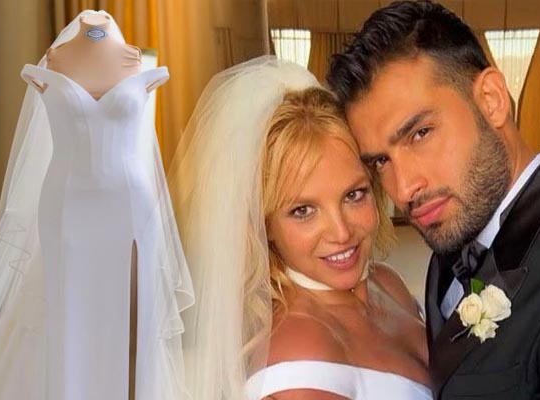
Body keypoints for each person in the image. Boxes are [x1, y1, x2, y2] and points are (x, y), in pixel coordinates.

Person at [326, 1, 540, 399]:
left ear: (491, 99)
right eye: (381, 161)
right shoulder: (456, 235)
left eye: (420, 134)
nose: (404, 189)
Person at [168, 57, 432, 400]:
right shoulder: (298, 363)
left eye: (354, 195)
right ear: (265, 224)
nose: (340, 232)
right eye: (303, 211)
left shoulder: (387, 283)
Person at [0, 11, 193, 400]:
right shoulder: (56, 60)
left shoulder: (133, 60)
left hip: (130, 208)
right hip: (67, 208)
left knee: (133, 320)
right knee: (69, 320)